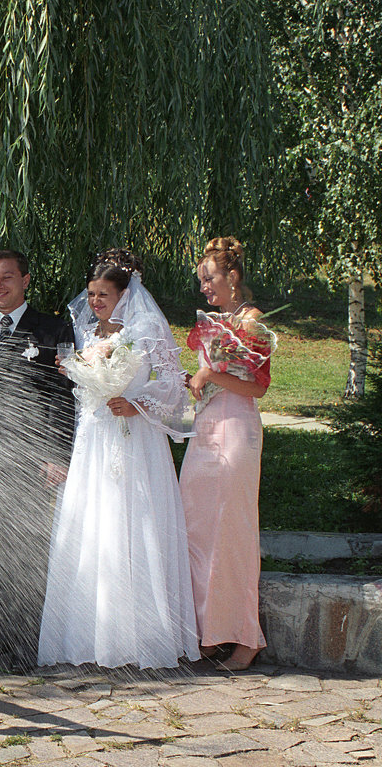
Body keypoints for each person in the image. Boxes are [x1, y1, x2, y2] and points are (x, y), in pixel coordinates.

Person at [37, 249, 199, 669]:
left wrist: (137, 403)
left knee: (133, 522)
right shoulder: (89, 334)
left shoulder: (145, 330)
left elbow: (173, 386)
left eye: (103, 294)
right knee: (94, 526)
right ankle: (90, 636)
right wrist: (76, 373)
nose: (95, 302)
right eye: (91, 294)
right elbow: (83, 392)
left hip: (134, 440)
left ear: (125, 294)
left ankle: (141, 635)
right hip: (95, 438)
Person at [180, 237, 274, 671]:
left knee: (232, 530)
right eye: (201, 281)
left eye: (209, 279)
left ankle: (245, 636)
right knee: (196, 527)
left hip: (237, 428)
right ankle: (207, 630)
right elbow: (215, 376)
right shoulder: (216, 323)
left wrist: (212, 372)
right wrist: (195, 380)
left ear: (232, 277)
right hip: (206, 427)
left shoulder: (252, 323)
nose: (204, 287)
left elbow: (257, 386)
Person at [0, 250, 75, 484]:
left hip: (30, 454)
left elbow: (61, 396)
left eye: (7, 277)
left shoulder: (53, 330)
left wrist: (57, 455)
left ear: (25, 280)